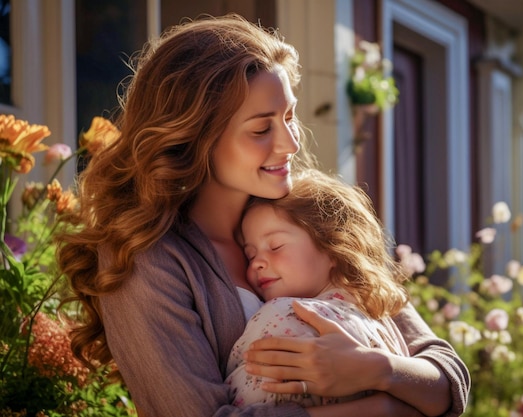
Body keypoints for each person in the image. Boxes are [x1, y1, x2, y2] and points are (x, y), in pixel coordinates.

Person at [56, 13, 470, 417]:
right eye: (260, 129)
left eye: (289, 117)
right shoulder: (145, 260)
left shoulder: (311, 218)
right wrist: (381, 407)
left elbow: (447, 380)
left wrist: (376, 369)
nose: (290, 143)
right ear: (196, 138)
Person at [226, 170, 411, 407]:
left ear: (334, 246)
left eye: (275, 246)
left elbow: (243, 395)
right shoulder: (383, 324)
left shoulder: (283, 314)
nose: (257, 263)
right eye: (250, 255)